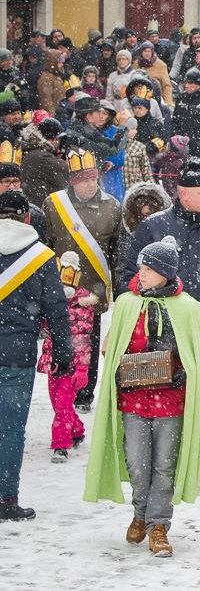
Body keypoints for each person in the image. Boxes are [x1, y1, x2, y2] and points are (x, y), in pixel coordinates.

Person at [119, 157, 200, 479]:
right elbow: (128, 274)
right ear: (181, 194)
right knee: (164, 397)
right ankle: (166, 462)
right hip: (162, 328)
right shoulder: (155, 227)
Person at [82, 236, 200, 557]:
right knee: (138, 464)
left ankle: (158, 526)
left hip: (171, 400)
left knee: (164, 466)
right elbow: (115, 346)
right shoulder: (126, 303)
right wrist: (123, 371)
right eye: (142, 267)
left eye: (149, 268)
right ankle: (140, 512)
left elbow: (195, 357)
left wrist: (179, 366)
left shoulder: (188, 308)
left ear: (165, 272)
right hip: (133, 399)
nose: (143, 273)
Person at [0, 190, 70, 521]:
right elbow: (57, 311)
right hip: (18, 354)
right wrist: (64, 352)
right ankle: (7, 498)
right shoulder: (41, 256)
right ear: (27, 217)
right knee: (11, 429)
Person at [43, 149, 121, 411]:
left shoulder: (112, 206)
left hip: (93, 290)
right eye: (84, 179)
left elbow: (116, 253)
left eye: (93, 178)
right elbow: (45, 247)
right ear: (73, 180)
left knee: (91, 343)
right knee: (61, 342)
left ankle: (85, 393)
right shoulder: (54, 205)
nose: (90, 184)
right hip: (59, 290)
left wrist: (120, 290)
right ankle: (62, 390)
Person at [37, 251, 94, 462]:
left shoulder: (83, 306)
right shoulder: (51, 301)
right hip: (54, 361)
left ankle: (61, 446)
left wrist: (81, 368)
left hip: (71, 364)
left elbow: (82, 340)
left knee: (62, 405)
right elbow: (45, 327)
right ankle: (77, 430)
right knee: (59, 403)